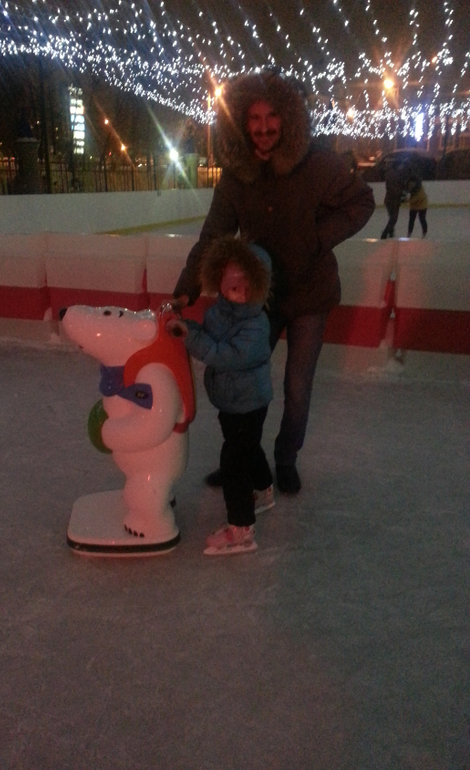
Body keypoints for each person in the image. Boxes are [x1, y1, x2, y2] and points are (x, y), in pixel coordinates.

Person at [173, 70, 375, 496]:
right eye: (254, 118)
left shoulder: (318, 164)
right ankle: (242, 460)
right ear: (241, 123)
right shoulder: (237, 175)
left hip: (310, 293)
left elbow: (361, 202)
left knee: (296, 388)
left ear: (287, 118)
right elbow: (213, 235)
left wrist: (318, 238)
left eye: (271, 117)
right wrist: (186, 288)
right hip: (258, 298)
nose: (263, 127)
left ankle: (285, 459)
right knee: (242, 381)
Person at [171, 237, 274, 555]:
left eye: (246, 287)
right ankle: (264, 489)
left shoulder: (256, 325)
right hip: (230, 400)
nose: (239, 294)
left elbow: (224, 355)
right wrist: (186, 326)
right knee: (246, 446)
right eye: (232, 286)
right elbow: (208, 335)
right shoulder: (218, 314)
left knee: (234, 463)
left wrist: (190, 338)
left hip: (249, 402)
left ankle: (241, 529)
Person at [380, 161, 408, 239]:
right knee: (393, 218)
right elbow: (395, 189)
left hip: (391, 200)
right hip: (393, 200)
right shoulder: (394, 176)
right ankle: (385, 233)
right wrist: (401, 194)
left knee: (392, 217)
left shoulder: (391, 174)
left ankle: (391, 232)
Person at [406, 172, 428, 238]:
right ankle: (409, 233)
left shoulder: (420, 188)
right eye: (410, 183)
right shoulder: (409, 186)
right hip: (413, 206)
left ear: (415, 183)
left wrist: (407, 201)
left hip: (422, 205)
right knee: (411, 220)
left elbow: (418, 197)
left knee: (422, 219)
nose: (410, 185)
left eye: (412, 183)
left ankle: (424, 232)